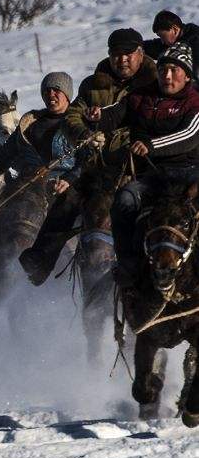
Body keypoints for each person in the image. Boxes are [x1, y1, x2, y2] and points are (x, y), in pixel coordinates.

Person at [19, 28, 158, 284]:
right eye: (116, 54)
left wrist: (126, 139)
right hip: (97, 165)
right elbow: (73, 115)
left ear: (140, 54)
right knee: (68, 199)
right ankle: (40, 260)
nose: (122, 60)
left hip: (137, 165)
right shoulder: (93, 84)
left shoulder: (155, 82)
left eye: (128, 54)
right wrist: (84, 134)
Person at [85, 42, 199, 288]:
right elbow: (116, 113)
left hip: (190, 176)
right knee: (124, 200)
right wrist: (99, 117)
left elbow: (189, 135)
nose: (167, 76)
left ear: (187, 75)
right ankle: (128, 264)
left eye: (174, 70)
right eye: (163, 70)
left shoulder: (194, 101)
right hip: (153, 178)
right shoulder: (140, 97)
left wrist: (152, 145)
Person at [0, 73, 79, 313]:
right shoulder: (29, 124)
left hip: (62, 185)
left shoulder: (77, 124)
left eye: (57, 90)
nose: (51, 95)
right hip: (25, 184)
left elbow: (86, 161)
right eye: (47, 90)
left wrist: (69, 180)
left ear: (67, 94)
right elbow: (3, 157)